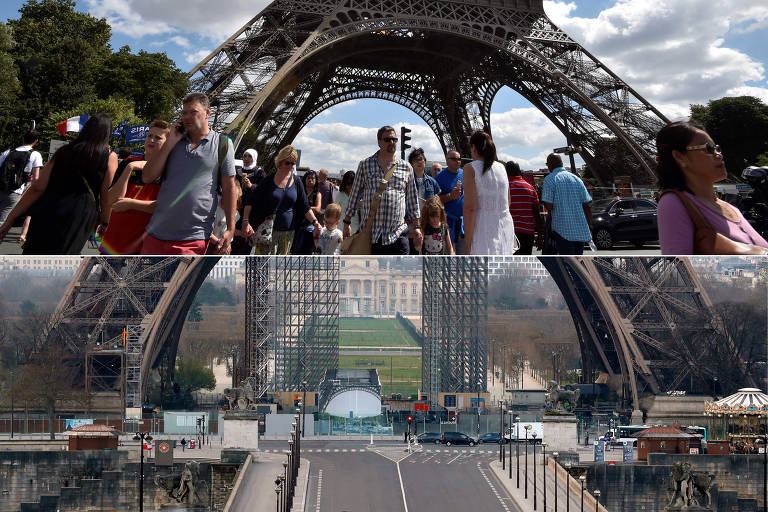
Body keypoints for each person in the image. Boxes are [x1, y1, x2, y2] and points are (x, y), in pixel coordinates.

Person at [0, 114, 118, 254]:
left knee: (34, 255)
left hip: (49, 208)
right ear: (107, 134)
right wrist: (105, 222)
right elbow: (105, 196)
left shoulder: (64, 151)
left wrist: (11, 218)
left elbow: (37, 188)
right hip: (79, 216)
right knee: (62, 261)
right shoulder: (109, 157)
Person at [140, 92, 236, 255]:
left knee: (179, 282)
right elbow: (147, 177)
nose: (187, 117)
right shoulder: (173, 141)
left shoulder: (222, 144)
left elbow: (229, 188)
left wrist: (231, 228)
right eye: (184, 113)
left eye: (193, 112)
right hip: (156, 234)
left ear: (207, 113)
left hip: (193, 237)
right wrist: (169, 143)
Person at [655, 120, 768, 254]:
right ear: (680, 156)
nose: (719, 155)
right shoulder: (673, 202)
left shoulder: (731, 209)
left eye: (717, 148)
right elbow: (679, 270)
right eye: (708, 148)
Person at [342, 126, 423, 254]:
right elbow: (354, 196)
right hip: (372, 234)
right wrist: (346, 222)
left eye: (394, 139)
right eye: (387, 139)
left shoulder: (406, 167)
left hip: (398, 233)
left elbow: (412, 200)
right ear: (379, 142)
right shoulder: (365, 165)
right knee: (374, 274)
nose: (392, 142)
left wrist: (417, 227)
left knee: (399, 274)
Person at [99, 120, 170, 255]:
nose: (152, 140)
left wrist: (131, 204)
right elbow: (111, 200)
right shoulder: (128, 162)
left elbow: (165, 208)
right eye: (150, 136)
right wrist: (129, 169)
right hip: (113, 242)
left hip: (141, 248)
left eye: (158, 138)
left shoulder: (169, 170)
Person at [243, 145, 322, 255]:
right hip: (268, 231)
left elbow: (304, 206)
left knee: (279, 267)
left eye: (292, 163)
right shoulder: (269, 179)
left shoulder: (297, 181)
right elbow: (251, 200)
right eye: (287, 163)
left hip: (288, 233)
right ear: (280, 161)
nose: (290, 166)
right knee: (262, 265)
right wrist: (246, 221)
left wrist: (315, 222)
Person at [462, 131, 518, 255]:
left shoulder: (470, 168)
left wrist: (467, 245)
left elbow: (470, 209)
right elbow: (508, 202)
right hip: (505, 227)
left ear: (474, 148)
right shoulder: (501, 168)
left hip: (483, 229)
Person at [541, 154, 593, 255]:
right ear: (561, 163)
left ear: (550, 165)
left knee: (567, 263)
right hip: (580, 229)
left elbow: (549, 206)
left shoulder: (549, 179)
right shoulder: (577, 179)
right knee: (578, 262)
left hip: (562, 230)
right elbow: (586, 205)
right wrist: (590, 227)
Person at [0, 130, 43, 228]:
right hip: (15, 192)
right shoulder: (35, 155)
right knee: (2, 222)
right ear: (36, 141)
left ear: (22, 139)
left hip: (1, 186)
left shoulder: (8, 151)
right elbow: (36, 178)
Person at [408, 147, 441, 254]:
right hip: (411, 221)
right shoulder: (406, 181)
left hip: (428, 221)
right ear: (411, 163)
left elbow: (437, 201)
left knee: (428, 251)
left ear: (425, 162)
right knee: (412, 251)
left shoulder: (432, 182)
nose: (419, 162)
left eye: (421, 159)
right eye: (415, 160)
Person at [506, 160, 542, 255]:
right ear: (519, 171)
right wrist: (540, 236)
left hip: (509, 233)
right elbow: (536, 214)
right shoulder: (530, 188)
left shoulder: (504, 188)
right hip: (528, 233)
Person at [435, 150, 464, 252]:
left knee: (463, 257)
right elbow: (435, 201)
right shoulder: (439, 177)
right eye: (454, 159)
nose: (458, 161)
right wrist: (450, 196)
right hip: (447, 224)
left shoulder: (465, 174)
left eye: (459, 159)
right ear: (447, 160)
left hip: (463, 224)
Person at [292, 170, 322, 254]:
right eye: (308, 178)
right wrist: (307, 209)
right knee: (294, 250)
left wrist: (303, 208)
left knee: (307, 251)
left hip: (310, 226)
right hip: (296, 224)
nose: (310, 180)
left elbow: (317, 209)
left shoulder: (317, 194)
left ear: (316, 181)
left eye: (313, 178)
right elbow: (295, 206)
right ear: (304, 180)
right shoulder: (299, 192)